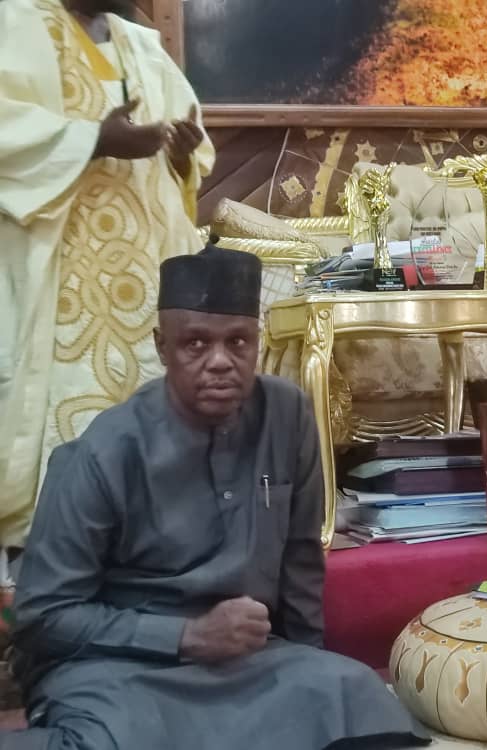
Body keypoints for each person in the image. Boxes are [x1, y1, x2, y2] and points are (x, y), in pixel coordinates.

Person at [2, 245, 430, 750]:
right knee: (107, 741)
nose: (221, 361)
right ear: (163, 346)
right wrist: (185, 637)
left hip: (243, 659)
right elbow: (43, 616)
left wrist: (301, 671)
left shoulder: (287, 416)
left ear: (257, 342)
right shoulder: (105, 452)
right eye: (196, 344)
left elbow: (300, 563)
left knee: (357, 698)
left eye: (238, 341)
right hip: (118, 667)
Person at [0, 0, 215, 552]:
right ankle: (51, 566)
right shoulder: (12, 23)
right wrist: (92, 140)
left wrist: (181, 157)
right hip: (55, 280)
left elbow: (189, 147)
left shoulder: (140, 44)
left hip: (144, 279)